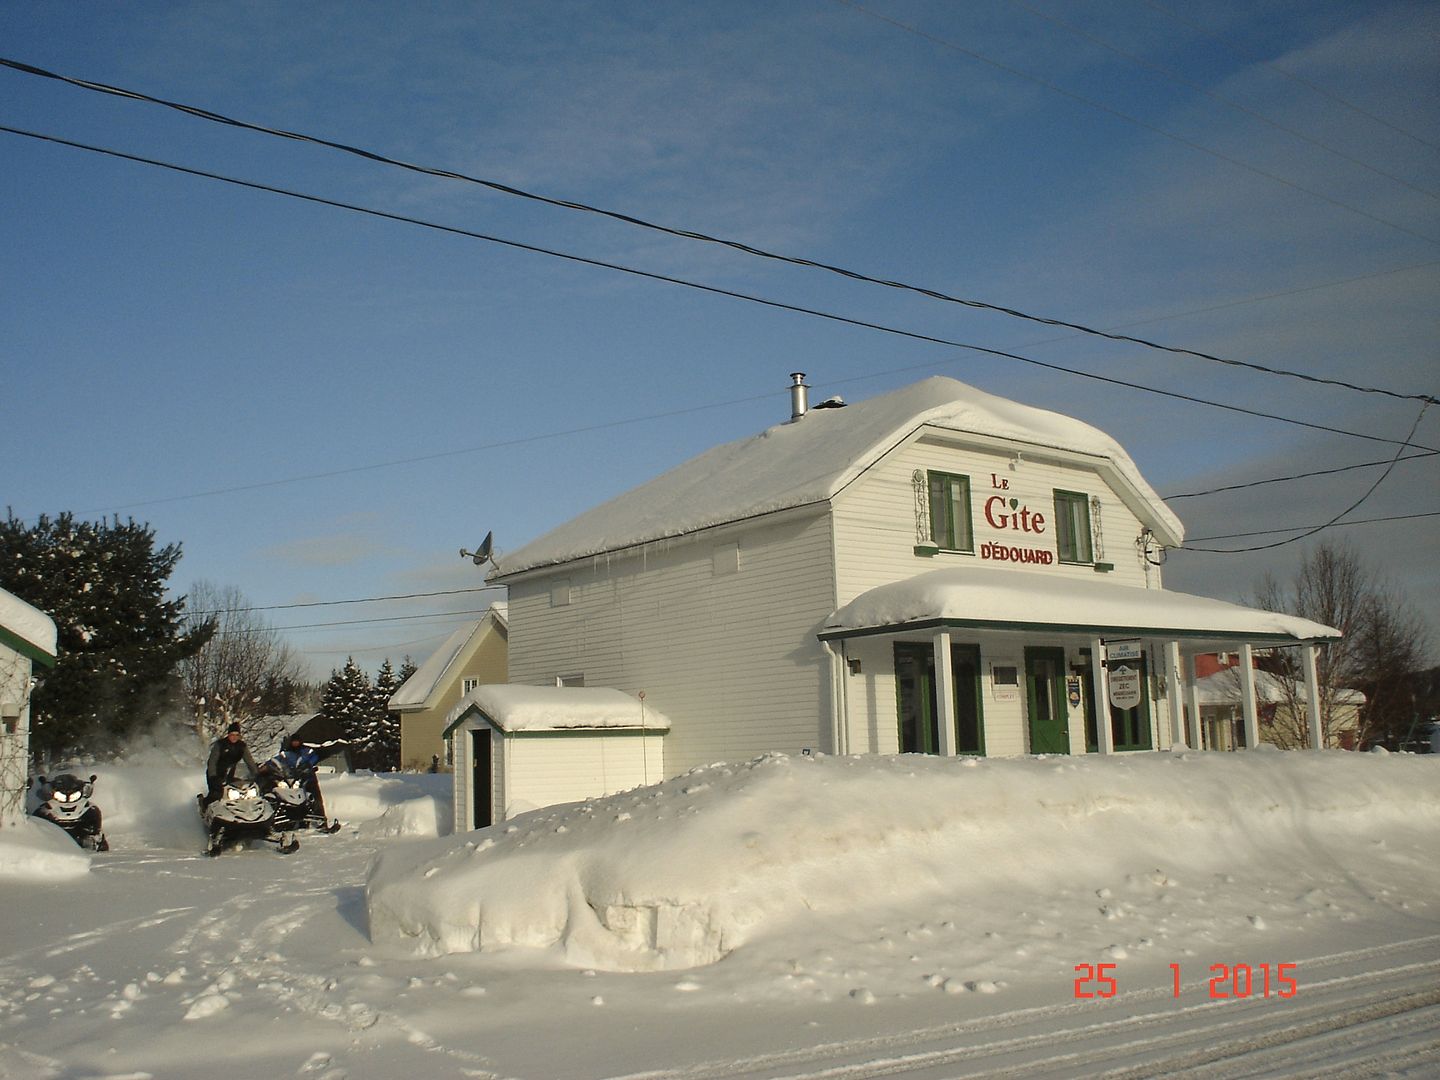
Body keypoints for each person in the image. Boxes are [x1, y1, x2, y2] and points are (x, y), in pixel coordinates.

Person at [269, 732, 341, 831]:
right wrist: (267, 766)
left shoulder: (307, 751)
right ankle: (281, 820)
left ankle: (321, 820)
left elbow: (314, 757)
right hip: (291, 779)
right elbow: (276, 761)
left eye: (297, 742)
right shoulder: (286, 754)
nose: (295, 743)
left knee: (315, 798)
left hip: (307, 778)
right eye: (294, 742)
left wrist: (307, 765)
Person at [204, 722, 258, 806]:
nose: (234, 737)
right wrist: (213, 776)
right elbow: (212, 761)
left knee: (240, 792)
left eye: (237, 735)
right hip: (216, 773)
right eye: (232, 734)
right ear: (228, 734)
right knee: (216, 795)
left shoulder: (242, 746)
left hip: (229, 774)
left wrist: (256, 774)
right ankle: (205, 806)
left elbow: (249, 761)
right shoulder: (220, 745)